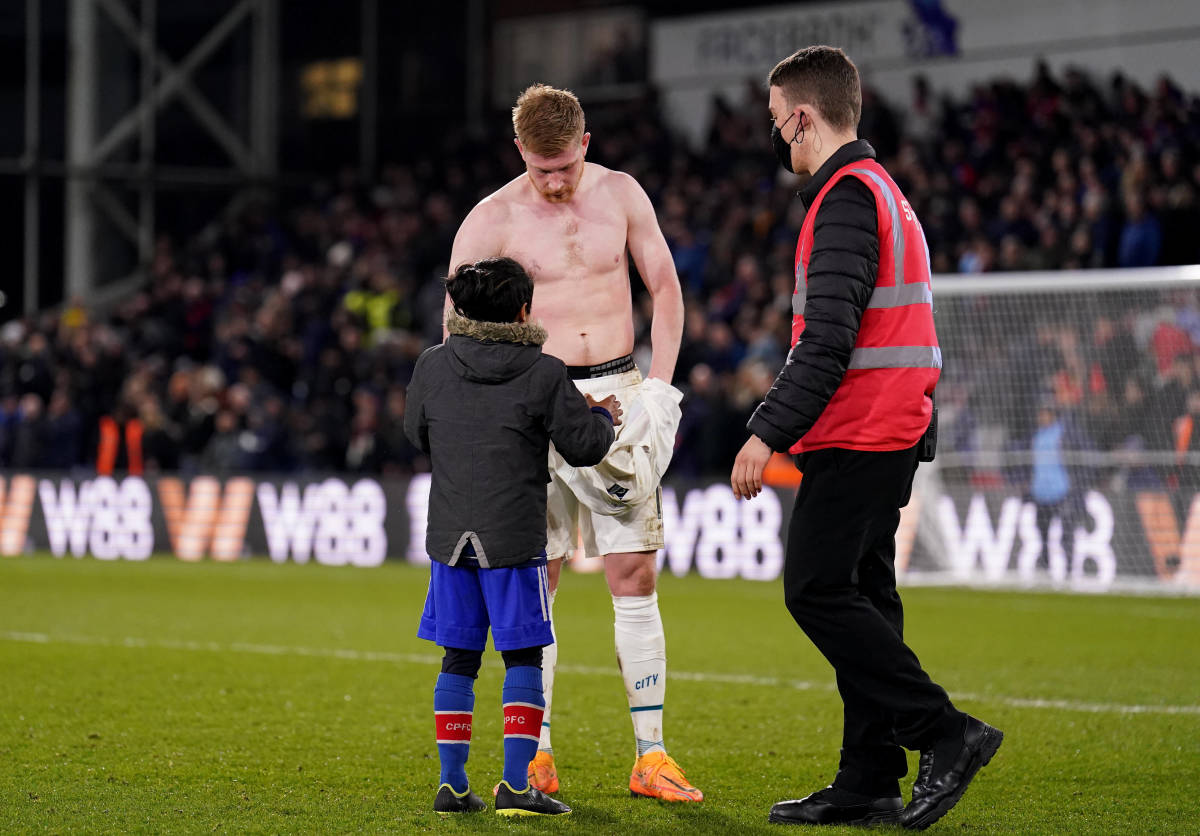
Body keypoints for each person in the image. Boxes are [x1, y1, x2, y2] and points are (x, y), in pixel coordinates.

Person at [730, 46, 1002, 830]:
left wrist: (765, 432)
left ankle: (944, 733)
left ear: (802, 118)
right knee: (869, 599)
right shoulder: (885, 192)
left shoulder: (845, 199)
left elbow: (827, 341)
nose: (776, 136)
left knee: (815, 589)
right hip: (890, 428)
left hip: (861, 430)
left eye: (777, 120)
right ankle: (869, 776)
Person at [446, 83, 700, 802]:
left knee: (636, 575)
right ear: (519, 151)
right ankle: (538, 755)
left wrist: (659, 388)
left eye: (565, 166)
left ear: (585, 143)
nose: (555, 182)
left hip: (619, 392)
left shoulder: (621, 194)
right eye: (541, 168)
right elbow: (455, 329)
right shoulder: (490, 218)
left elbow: (665, 287)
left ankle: (651, 756)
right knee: (540, 581)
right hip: (532, 395)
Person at [406, 257, 621, 816]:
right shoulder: (544, 371)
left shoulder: (432, 364)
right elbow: (584, 446)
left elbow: (414, 433)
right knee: (524, 656)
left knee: (459, 656)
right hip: (513, 537)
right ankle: (515, 788)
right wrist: (604, 417)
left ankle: (452, 785)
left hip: (450, 536)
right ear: (524, 310)